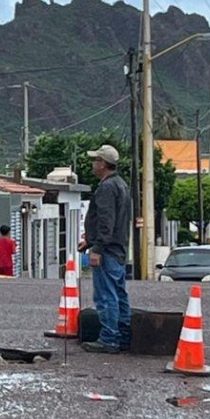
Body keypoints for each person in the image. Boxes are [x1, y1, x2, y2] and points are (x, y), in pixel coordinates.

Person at [78, 144, 132, 353]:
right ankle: (123, 335)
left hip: (108, 250)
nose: (93, 164)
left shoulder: (107, 188)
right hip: (118, 249)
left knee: (106, 296)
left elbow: (106, 221)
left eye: (96, 160)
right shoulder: (121, 185)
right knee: (119, 294)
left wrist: (97, 248)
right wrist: (91, 241)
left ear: (103, 164)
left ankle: (109, 338)